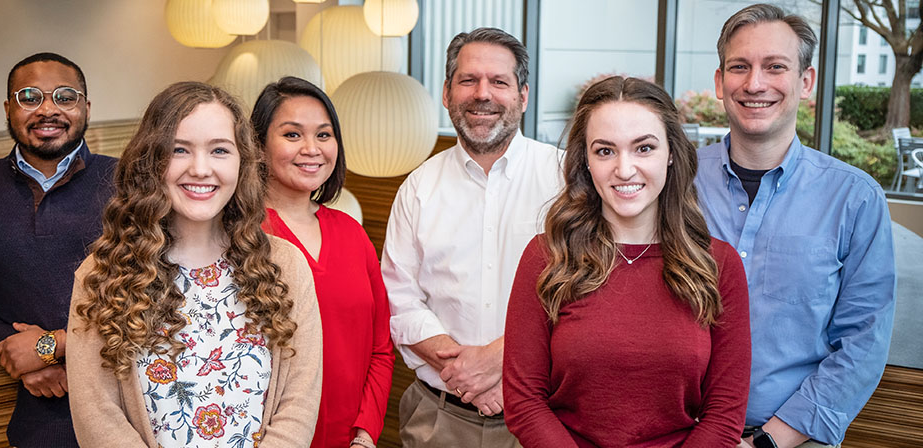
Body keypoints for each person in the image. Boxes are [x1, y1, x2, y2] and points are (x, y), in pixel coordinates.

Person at [65, 81, 323, 448]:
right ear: (150, 161)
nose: (201, 169)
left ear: (242, 161)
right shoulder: (103, 273)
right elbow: (97, 414)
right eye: (179, 150)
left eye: (219, 150)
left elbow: (300, 400)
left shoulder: (285, 267)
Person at [502, 76, 751, 447]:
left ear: (670, 153)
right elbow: (524, 402)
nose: (624, 169)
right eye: (605, 151)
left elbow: (725, 413)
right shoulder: (546, 256)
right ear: (585, 160)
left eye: (643, 148)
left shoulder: (719, 264)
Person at [694, 4, 897, 448]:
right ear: (719, 82)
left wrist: (768, 442)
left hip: (790, 440)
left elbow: (863, 341)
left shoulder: (855, 198)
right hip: (675, 433)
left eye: (775, 67)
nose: (755, 84)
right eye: (739, 67)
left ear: (805, 82)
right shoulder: (675, 181)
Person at [383, 27, 563, 447]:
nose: (483, 94)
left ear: (523, 95)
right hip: (437, 419)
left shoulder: (565, 179)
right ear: (447, 92)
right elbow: (399, 298)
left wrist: (501, 361)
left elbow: (585, 292)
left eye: (499, 82)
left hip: (544, 418)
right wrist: (467, 376)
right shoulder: (417, 187)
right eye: (468, 80)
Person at [0, 52, 115, 447]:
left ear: (86, 108)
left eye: (65, 96)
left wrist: (47, 348)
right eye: (30, 97)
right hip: (38, 423)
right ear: (9, 109)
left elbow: (163, 301)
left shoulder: (130, 183)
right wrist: (15, 352)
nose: (48, 110)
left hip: (130, 411)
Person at [251, 76, 395, 448]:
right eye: (292, 135)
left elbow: (381, 347)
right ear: (258, 146)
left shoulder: (351, 233)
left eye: (324, 135)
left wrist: (365, 435)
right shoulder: (241, 238)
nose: (312, 149)